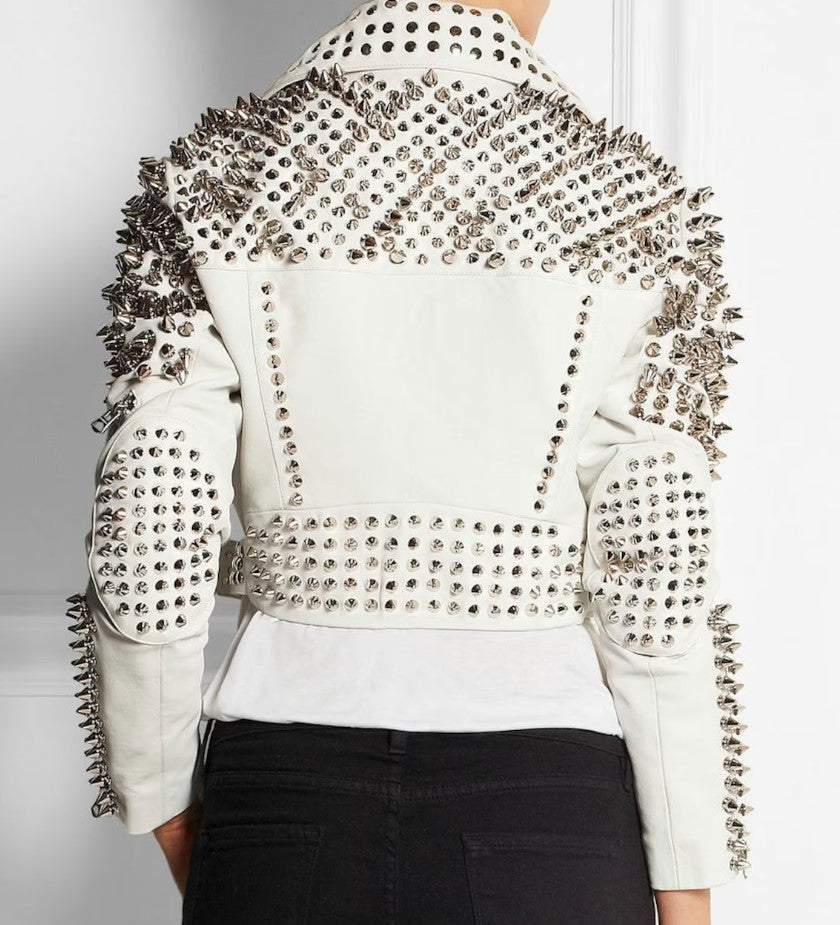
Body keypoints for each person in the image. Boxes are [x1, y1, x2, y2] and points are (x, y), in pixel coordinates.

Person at [66, 1, 751, 922]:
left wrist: (164, 803)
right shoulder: (633, 202)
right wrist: (687, 880)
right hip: (548, 805)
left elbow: (150, 510)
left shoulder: (215, 182)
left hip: (283, 790)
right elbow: (660, 565)